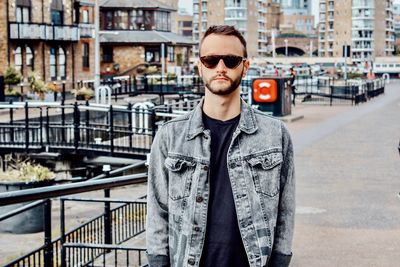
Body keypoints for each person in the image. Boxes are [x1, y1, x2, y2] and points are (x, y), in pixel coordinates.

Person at [146, 25, 295, 267]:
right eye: (211, 60)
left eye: (231, 60)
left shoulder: (275, 134)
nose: (221, 68)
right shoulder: (169, 136)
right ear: (200, 67)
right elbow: (157, 213)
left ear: (245, 67)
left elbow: (285, 211)